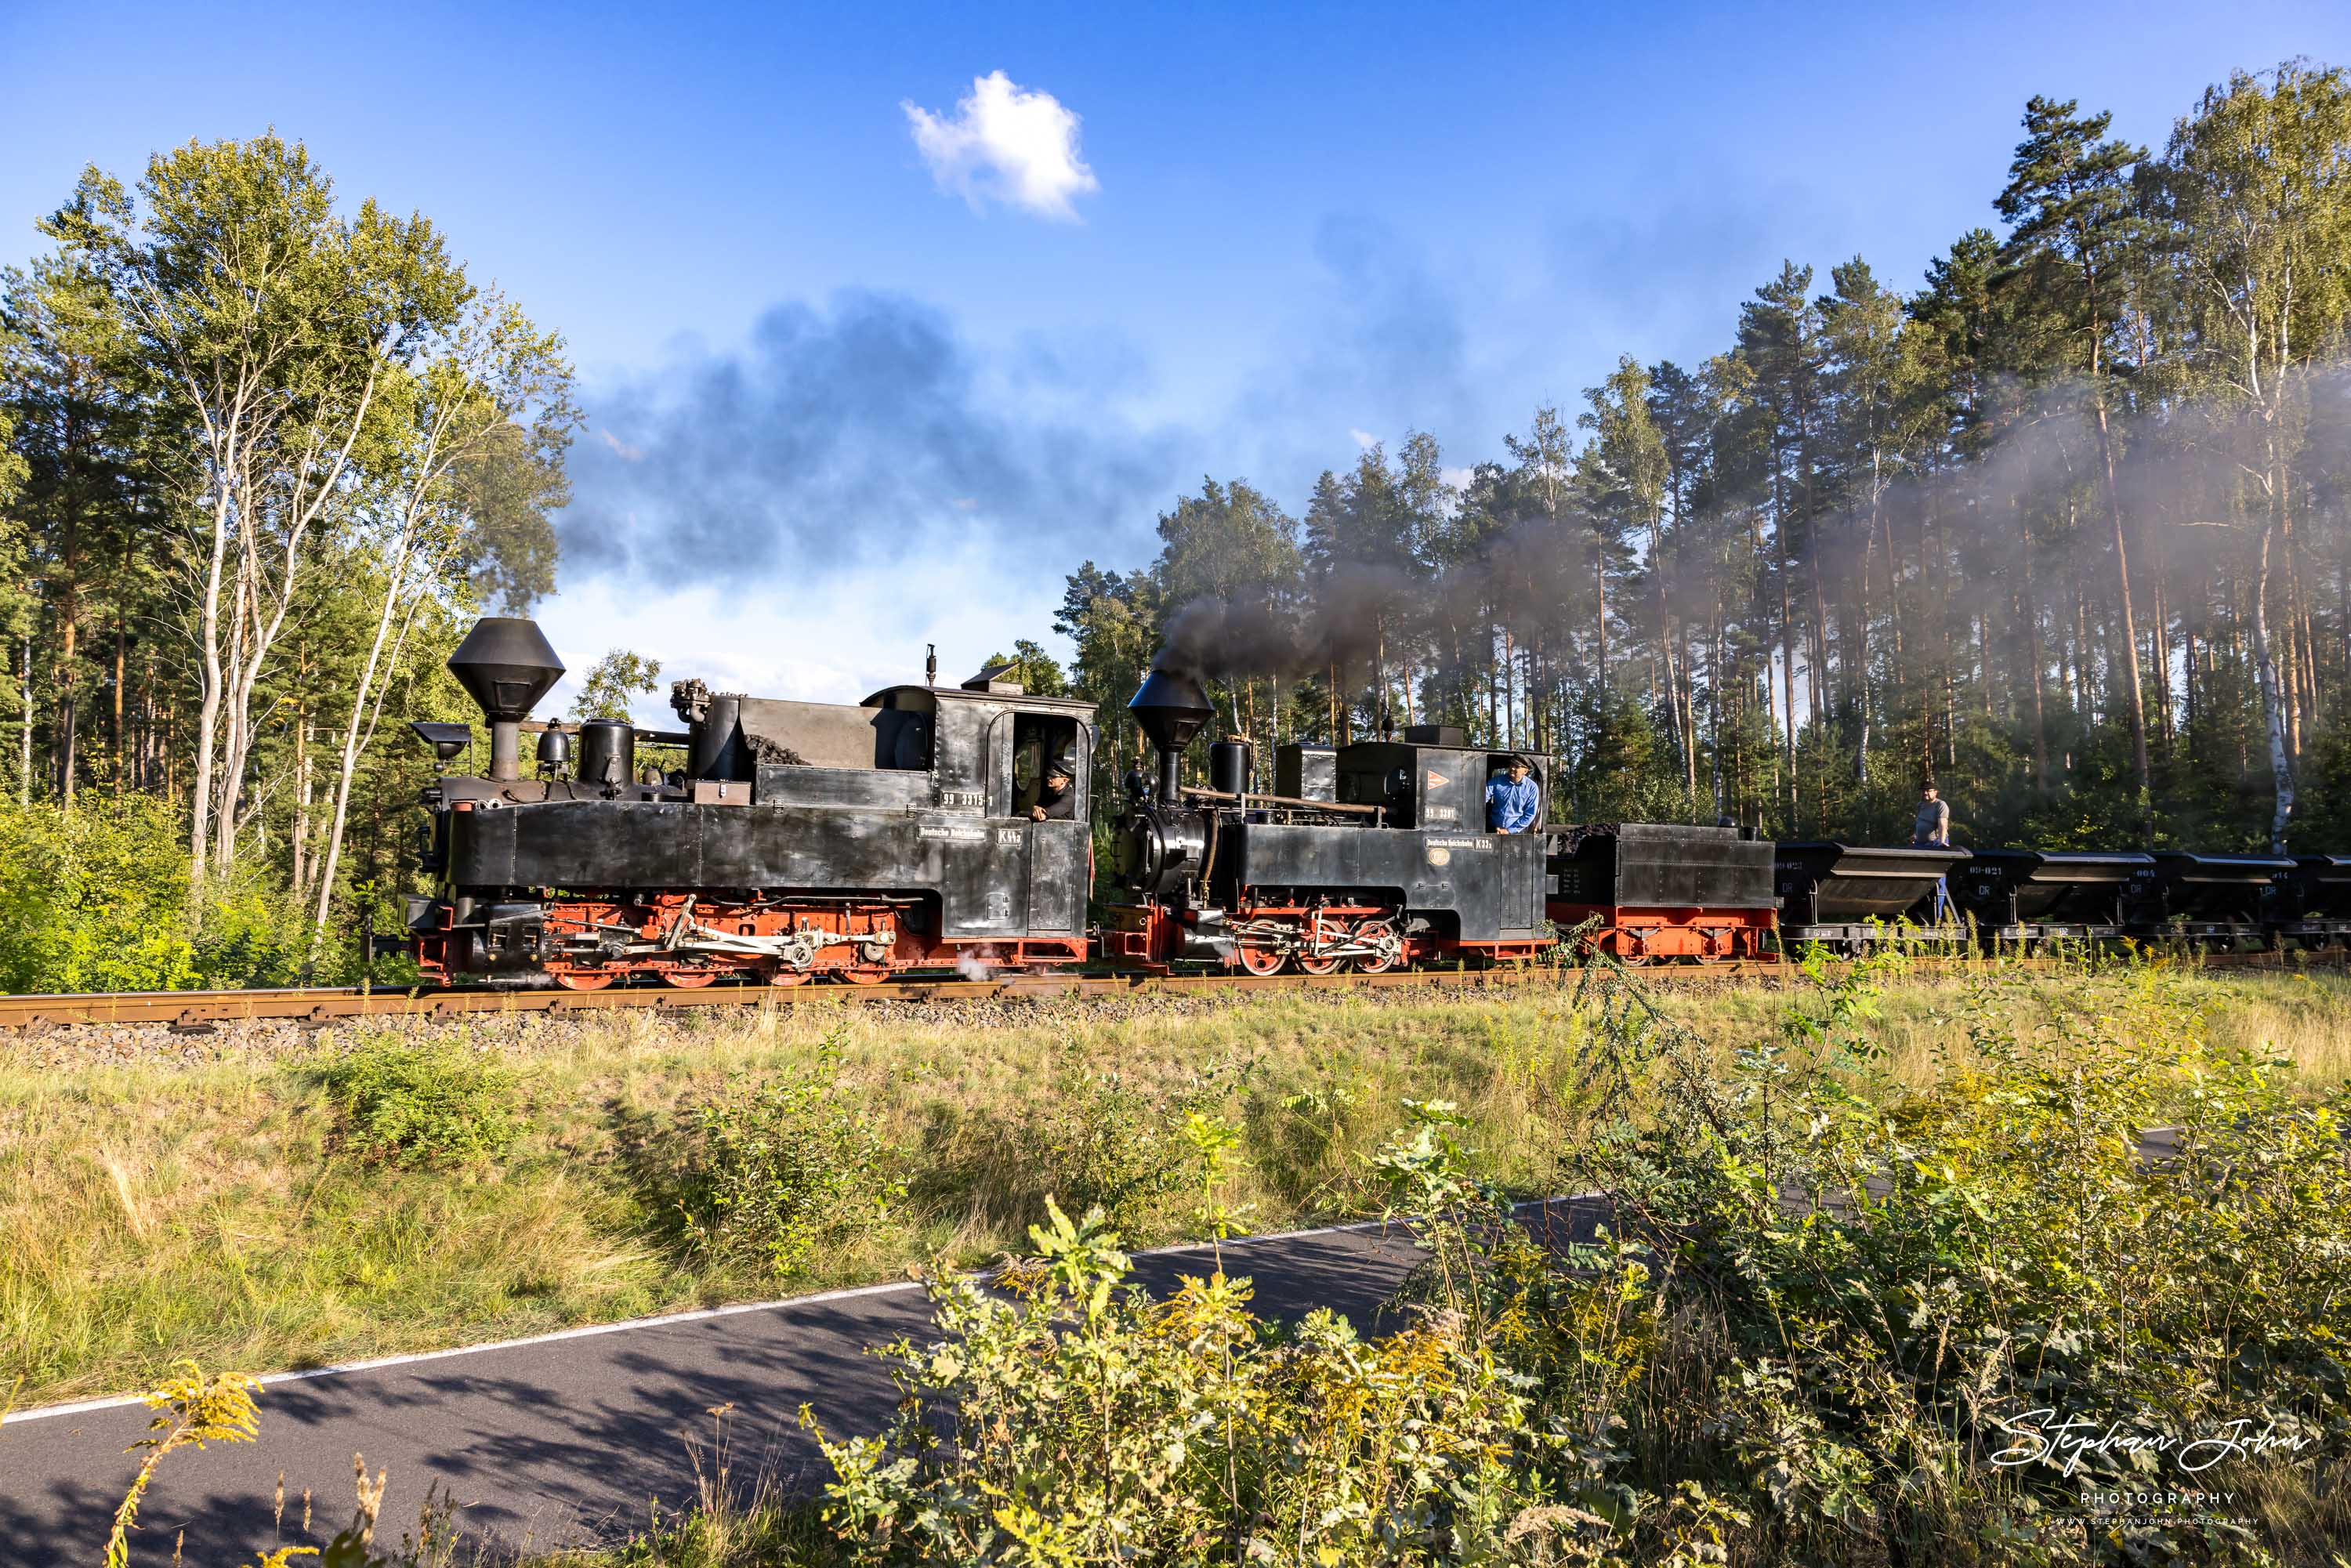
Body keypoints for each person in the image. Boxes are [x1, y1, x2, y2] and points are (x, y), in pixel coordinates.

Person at [1913, 784, 1954, 923]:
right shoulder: (1920, 805)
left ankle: (1938, 916)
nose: (1925, 793)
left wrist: (1941, 842)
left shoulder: (1940, 805)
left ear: (1935, 792)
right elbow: (1920, 823)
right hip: (1920, 844)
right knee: (1918, 877)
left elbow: (1943, 824)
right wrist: (1915, 835)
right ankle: (1918, 911)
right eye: (1923, 791)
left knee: (1939, 880)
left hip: (1935, 844)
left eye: (1928, 791)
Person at [1485, 756, 1539, 833]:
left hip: (1516, 834)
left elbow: (1530, 814)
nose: (1512, 768)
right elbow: (1481, 799)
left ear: (1525, 771)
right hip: (1493, 829)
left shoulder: (1532, 788)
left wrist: (1509, 830)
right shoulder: (1496, 781)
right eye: (1512, 765)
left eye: (1517, 766)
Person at [1020, 757, 1078, 821]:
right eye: (1049, 775)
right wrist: (1036, 807)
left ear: (1064, 781)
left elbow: (1042, 816)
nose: (1048, 778)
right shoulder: (1049, 791)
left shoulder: (1068, 798)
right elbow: (1038, 806)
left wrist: (1021, 814)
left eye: (1053, 777)